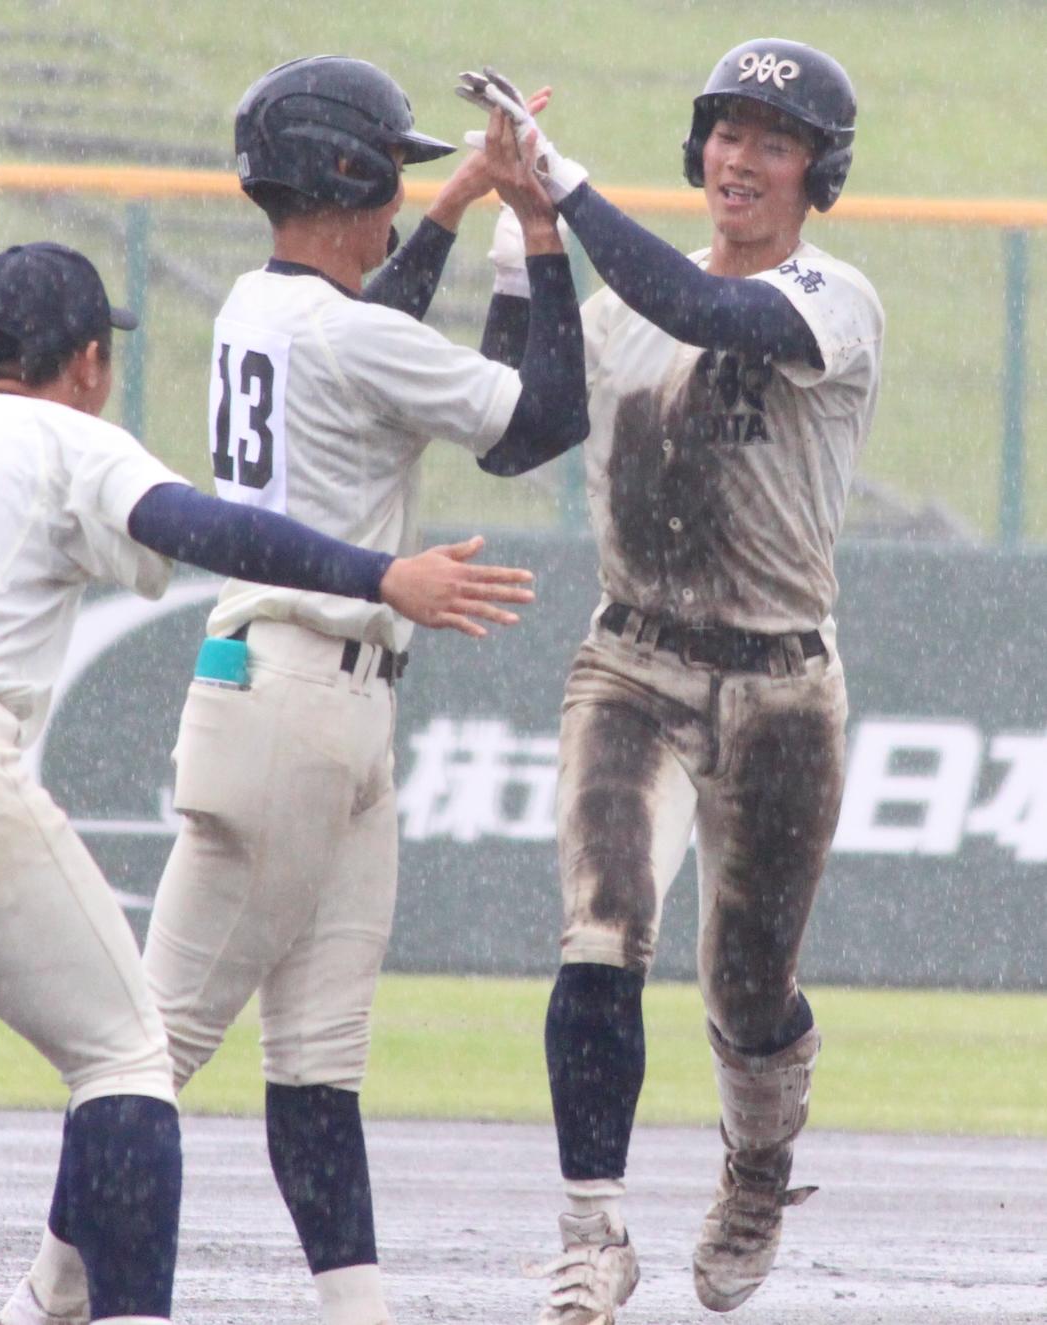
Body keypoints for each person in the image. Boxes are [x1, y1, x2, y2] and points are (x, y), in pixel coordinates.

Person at [0, 239, 537, 1325]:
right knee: (126, 1055)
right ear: (83, 360)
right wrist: (378, 573)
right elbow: (203, 525)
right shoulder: (64, 432)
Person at [1, 54, 587, 1325]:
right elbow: (537, 419)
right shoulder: (342, 326)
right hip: (291, 705)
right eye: (393, 178)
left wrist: (451, 209)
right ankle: (45, 1292)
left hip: (316, 706)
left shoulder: (256, 306)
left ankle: (351, 1309)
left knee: (316, 1063)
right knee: (145, 1048)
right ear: (347, 176)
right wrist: (528, 233)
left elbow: (375, 334)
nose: (398, 200)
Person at [459, 38, 884, 1321]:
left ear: (820, 170)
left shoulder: (833, 291)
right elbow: (516, 428)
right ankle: (591, 1229)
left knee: (747, 984)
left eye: (772, 138)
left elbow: (709, 314)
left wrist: (567, 184)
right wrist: (524, 234)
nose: (738, 158)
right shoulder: (620, 302)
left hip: (779, 682)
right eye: (724, 131)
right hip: (633, 657)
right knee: (600, 932)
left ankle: (757, 1165)